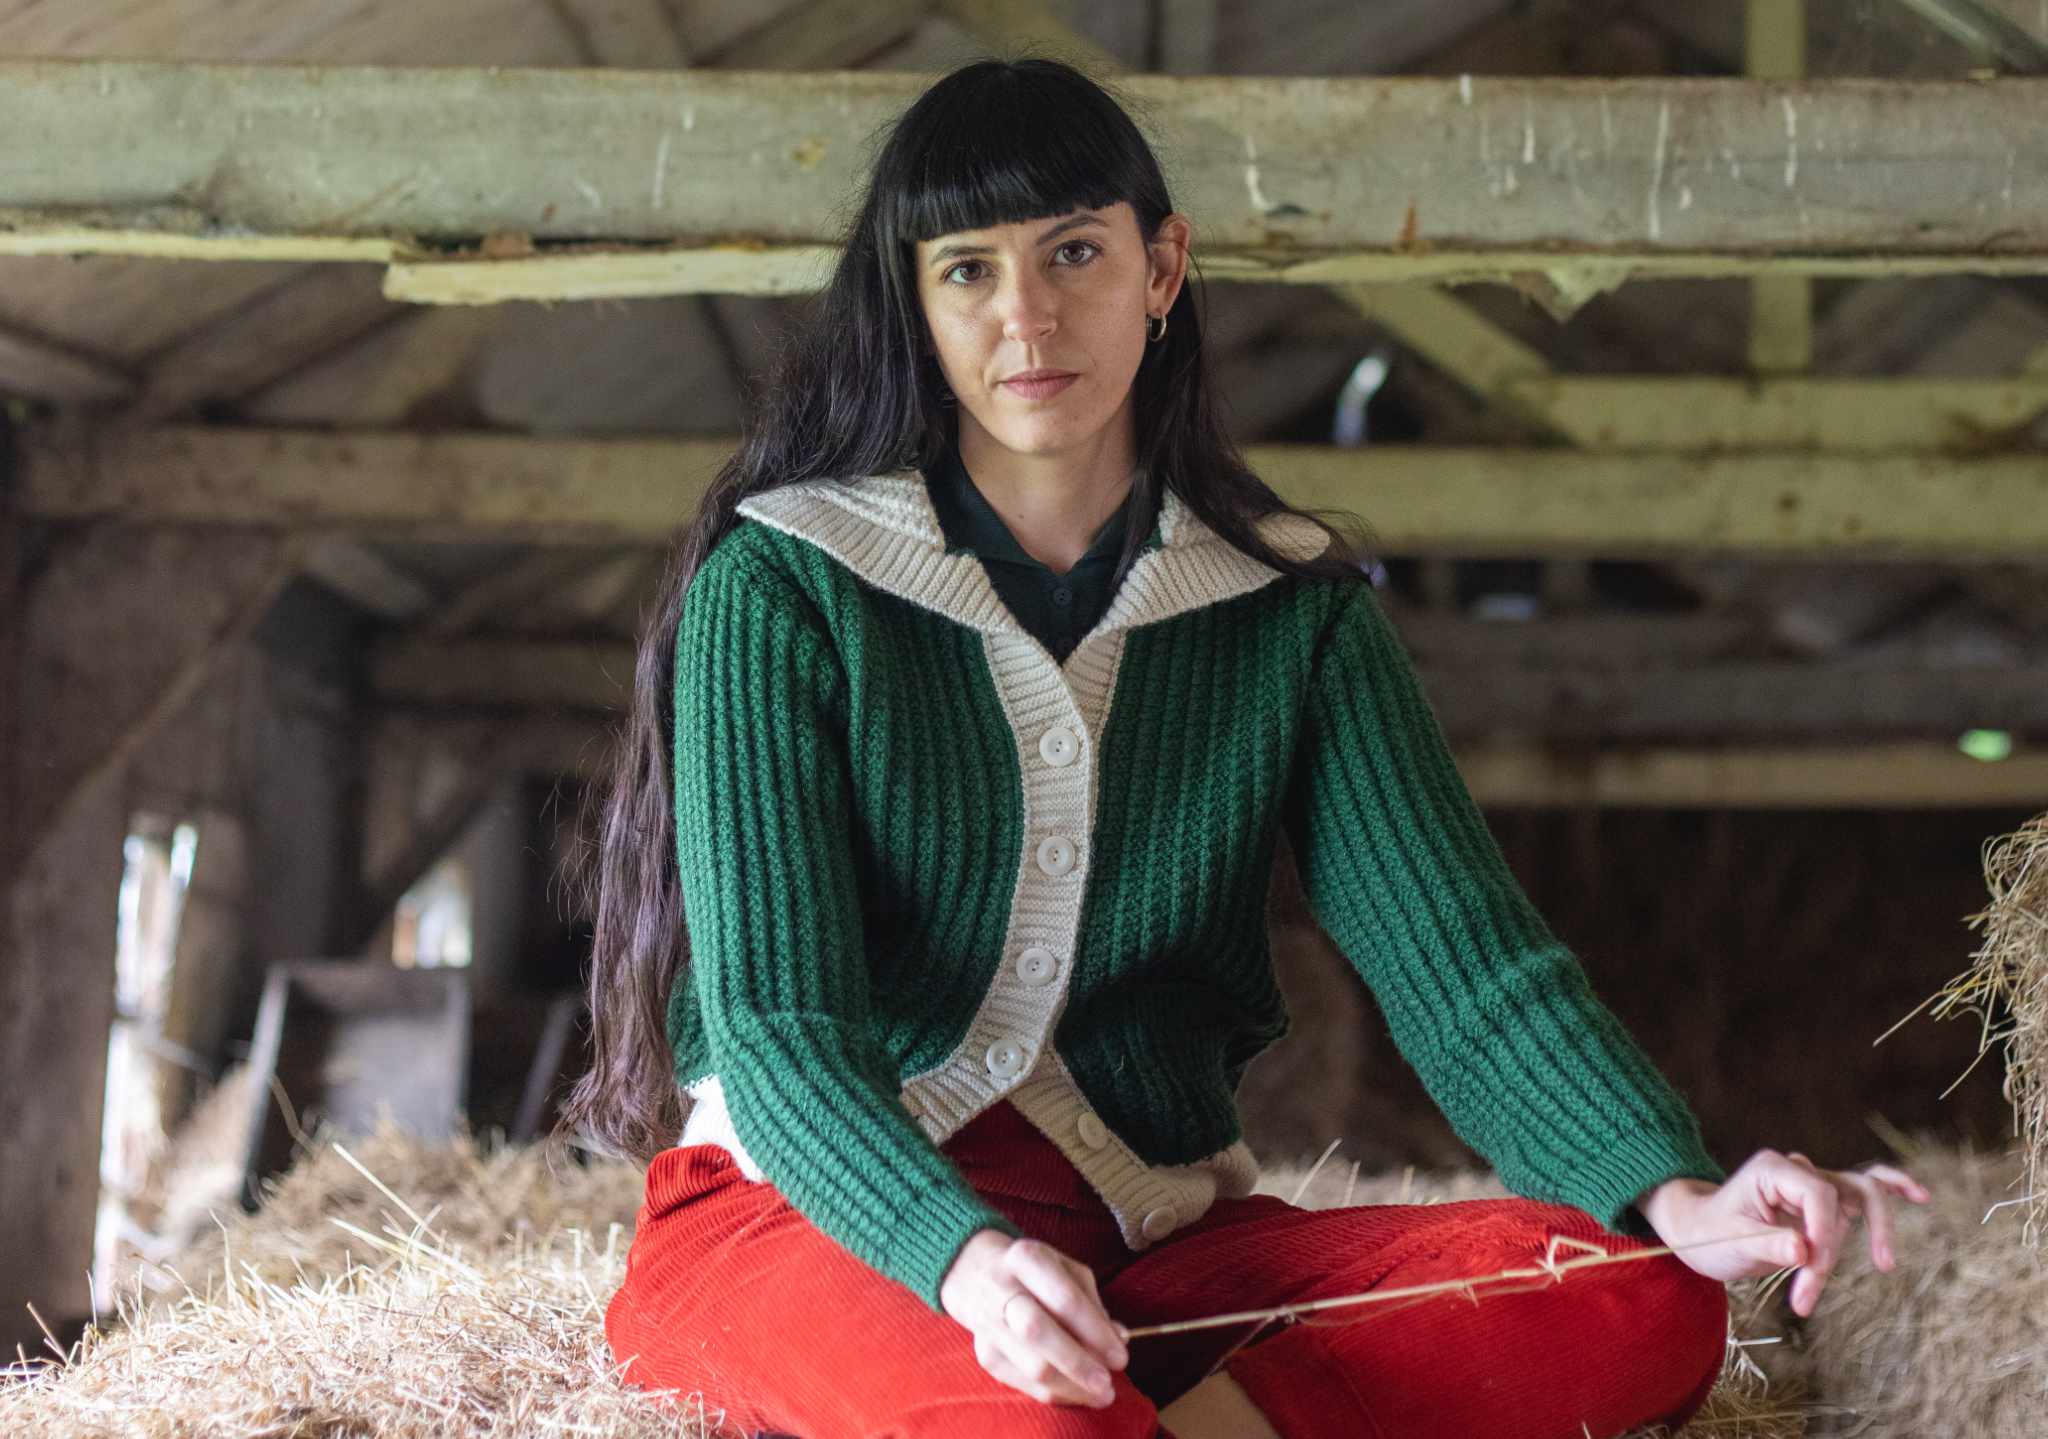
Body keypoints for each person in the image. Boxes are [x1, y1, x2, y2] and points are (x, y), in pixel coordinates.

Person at [562, 56, 1933, 1439]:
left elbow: (1471, 975)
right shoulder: (784, 586)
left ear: (1163, 268)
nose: (1025, 316)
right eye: (967, 271)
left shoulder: (1290, 612)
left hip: (1155, 1248)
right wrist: (963, 1264)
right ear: (915, 307)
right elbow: (782, 1032)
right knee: (1033, 1426)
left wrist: (1677, 1198)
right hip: (817, 1224)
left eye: (1074, 252)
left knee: (1638, 1298)